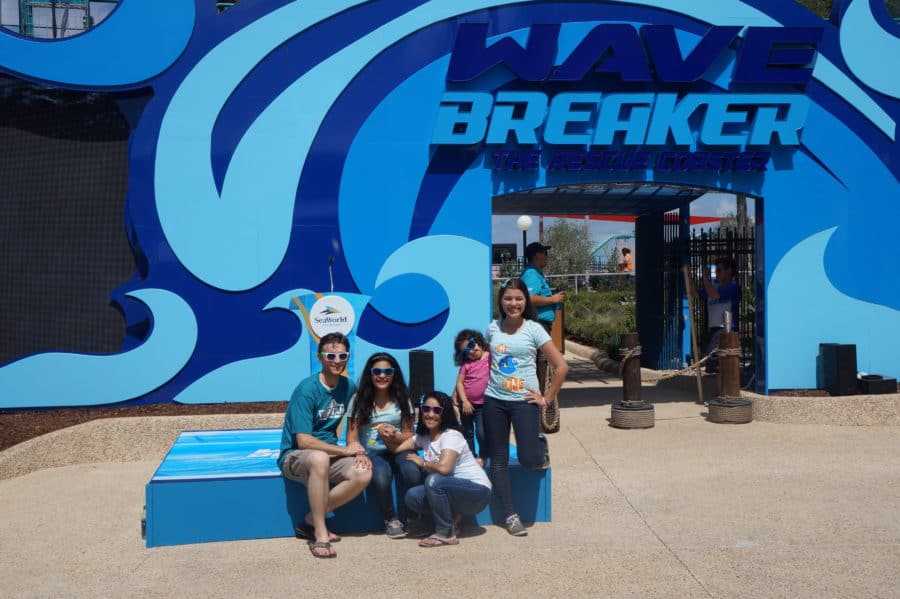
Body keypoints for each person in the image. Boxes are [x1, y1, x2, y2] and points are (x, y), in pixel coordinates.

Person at [484, 278, 569, 536]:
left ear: (526, 301)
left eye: (518, 298)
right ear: (500, 300)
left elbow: (562, 366)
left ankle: (539, 446)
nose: (513, 303)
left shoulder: (534, 330)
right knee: (497, 460)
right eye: (508, 298)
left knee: (529, 459)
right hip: (494, 401)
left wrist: (545, 397)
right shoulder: (492, 329)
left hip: (524, 402)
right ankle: (510, 514)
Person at [277, 332, 372, 559]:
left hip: (329, 454)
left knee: (363, 473)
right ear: (320, 357)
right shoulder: (306, 390)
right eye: (331, 355)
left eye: (342, 356)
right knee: (318, 457)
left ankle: (311, 519)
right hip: (297, 456)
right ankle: (320, 533)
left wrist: (357, 449)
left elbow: (354, 424)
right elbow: (303, 440)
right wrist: (343, 450)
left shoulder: (349, 387)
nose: (337, 361)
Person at [394, 391, 492, 548]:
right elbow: (398, 448)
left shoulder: (451, 436)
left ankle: (445, 533)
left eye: (437, 410)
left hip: (477, 493)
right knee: (413, 496)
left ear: (444, 413)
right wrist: (384, 436)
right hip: (455, 492)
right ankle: (453, 522)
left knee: (433, 480)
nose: (430, 414)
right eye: (426, 409)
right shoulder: (424, 436)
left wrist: (423, 463)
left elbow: (444, 469)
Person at [345, 352, 423, 539]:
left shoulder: (403, 398)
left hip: (401, 449)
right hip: (373, 453)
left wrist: (394, 436)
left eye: (387, 371)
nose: (382, 375)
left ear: (394, 373)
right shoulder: (358, 400)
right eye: (377, 371)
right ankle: (391, 519)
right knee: (380, 477)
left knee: (412, 471)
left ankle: (414, 517)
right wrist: (359, 454)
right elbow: (351, 437)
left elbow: (409, 434)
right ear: (370, 374)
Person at [519, 242, 565, 393]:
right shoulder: (531, 274)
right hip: (537, 323)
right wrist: (552, 300)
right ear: (537, 255)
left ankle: (539, 391)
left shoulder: (535, 273)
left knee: (541, 360)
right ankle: (537, 394)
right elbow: (529, 297)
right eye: (544, 253)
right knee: (539, 360)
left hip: (540, 323)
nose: (546, 257)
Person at [453, 329, 490, 465]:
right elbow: (459, 383)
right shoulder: (467, 365)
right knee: (467, 432)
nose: (470, 351)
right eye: (465, 351)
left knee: (481, 432)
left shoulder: (490, 357)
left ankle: (484, 455)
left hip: (482, 404)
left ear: (479, 341)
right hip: (467, 404)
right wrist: (464, 401)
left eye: (471, 345)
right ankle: (470, 456)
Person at [698, 257, 740, 373]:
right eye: (715, 271)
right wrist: (687, 274)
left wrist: (706, 278)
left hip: (726, 328)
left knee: (716, 360)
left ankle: (721, 386)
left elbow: (714, 295)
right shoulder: (714, 287)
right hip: (713, 328)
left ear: (729, 271)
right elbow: (696, 294)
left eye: (719, 270)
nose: (716, 274)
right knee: (712, 361)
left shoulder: (733, 287)